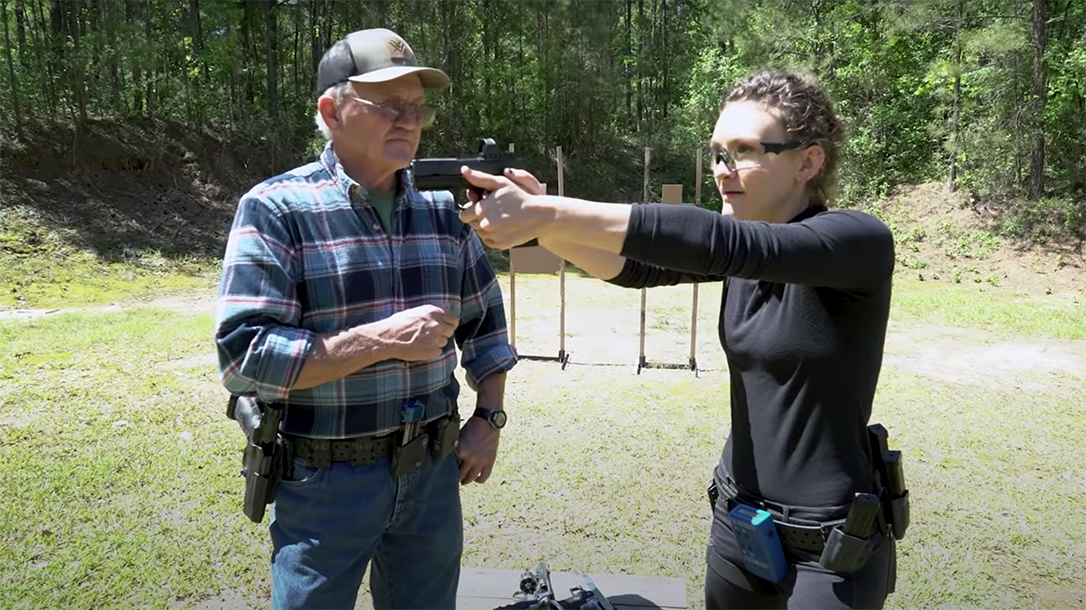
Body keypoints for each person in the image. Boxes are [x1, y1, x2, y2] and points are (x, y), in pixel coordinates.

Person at [458, 71, 899, 609]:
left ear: (808, 162)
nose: (723, 169)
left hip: (830, 547)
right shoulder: (743, 250)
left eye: (744, 151)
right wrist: (541, 223)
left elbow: (719, 243)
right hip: (740, 523)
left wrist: (548, 212)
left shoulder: (858, 242)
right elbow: (633, 267)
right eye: (717, 153)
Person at [213, 28, 517, 610]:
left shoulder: (443, 212)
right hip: (324, 484)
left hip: (432, 475)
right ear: (332, 112)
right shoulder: (277, 209)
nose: (409, 120)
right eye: (389, 105)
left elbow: (487, 326)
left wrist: (490, 417)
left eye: (417, 107)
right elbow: (244, 358)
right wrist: (381, 340)